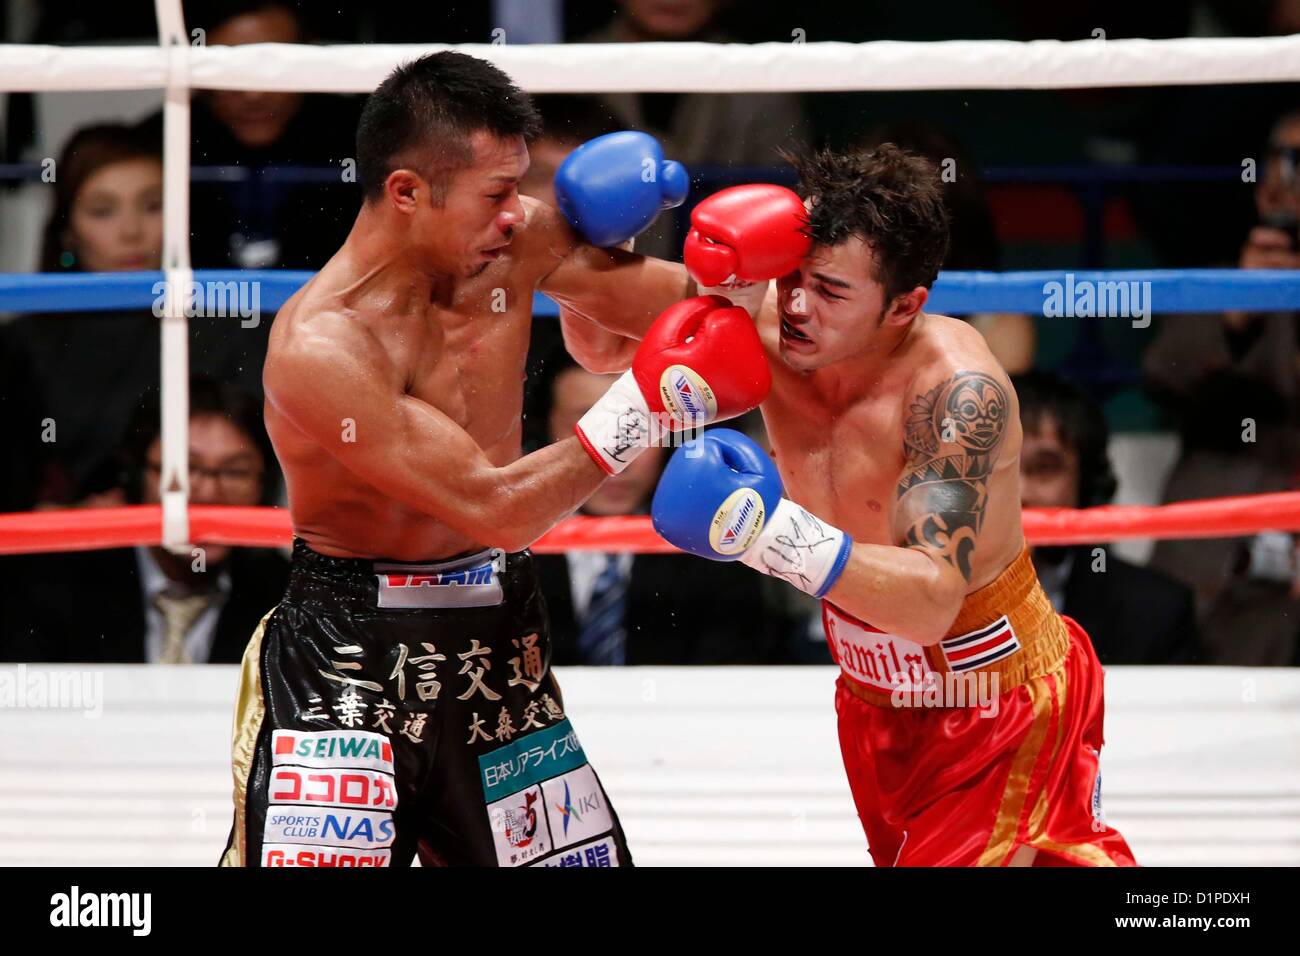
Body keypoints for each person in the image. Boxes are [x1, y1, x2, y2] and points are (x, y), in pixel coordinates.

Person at [221, 52, 770, 869]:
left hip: (497, 642)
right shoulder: (324, 345)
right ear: (407, 191)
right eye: (495, 192)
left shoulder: (514, 243)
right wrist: (646, 403)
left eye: (520, 185)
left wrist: (756, 264)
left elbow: (699, 312)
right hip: (348, 656)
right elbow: (496, 505)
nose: (519, 213)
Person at [580, 145, 1137, 866]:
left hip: (998, 705)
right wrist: (605, 232)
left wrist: (765, 532)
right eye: (794, 279)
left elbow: (933, 599)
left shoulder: (957, 394)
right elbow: (593, 336)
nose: (800, 307)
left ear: (905, 305)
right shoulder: (765, 313)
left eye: (833, 292)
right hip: (874, 703)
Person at [1142, 108, 1300, 665]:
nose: (1280, 179)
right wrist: (1236, 315)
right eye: (1272, 160)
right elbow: (1162, 375)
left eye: (1299, 162)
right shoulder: (1220, 283)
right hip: (1210, 574)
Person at [0, 378, 288, 664]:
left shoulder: (286, 598)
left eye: (235, 472)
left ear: (264, 485)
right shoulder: (59, 585)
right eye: (185, 468)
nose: (209, 493)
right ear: (136, 476)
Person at [529, 348, 785, 665]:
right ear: (546, 430)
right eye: (587, 432)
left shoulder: (713, 539)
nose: (619, 463)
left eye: (636, 431)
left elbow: (737, 671)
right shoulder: (512, 548)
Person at [1014, 371, 1201, 665]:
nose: (1019, 492)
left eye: (1044, 468)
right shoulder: (931, 598)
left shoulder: (1156, 610)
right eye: (997, 469)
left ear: (1085, 481)